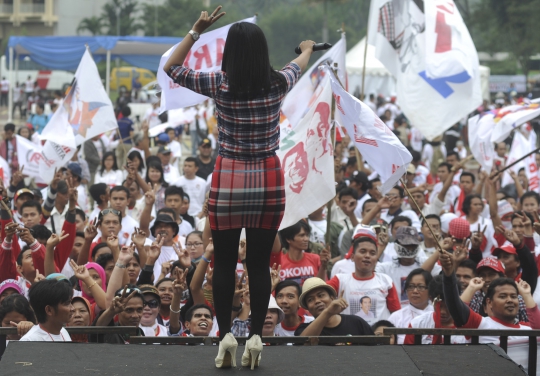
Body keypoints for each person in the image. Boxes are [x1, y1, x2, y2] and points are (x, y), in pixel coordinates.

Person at [164, 6, 315, 368]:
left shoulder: (218, 84)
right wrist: (307, 47)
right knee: (260, 264)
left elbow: (171, 67)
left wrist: (197, 30)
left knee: (225, 260)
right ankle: (257, 338)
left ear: (229, 53)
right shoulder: (279, 81)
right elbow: (302, 61)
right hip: (267, 176)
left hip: (229, 175)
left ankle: (225, 335)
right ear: (263, 53)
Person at [326, 231, 401, 326]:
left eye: (372, 253)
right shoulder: (340, 280)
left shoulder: (386, 281)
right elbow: (319, 294)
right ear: (352, 257)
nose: (367, 256)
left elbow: (396, 314)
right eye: (363, 251)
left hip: (378, 338)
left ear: (376, 258)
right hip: (349, 337)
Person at [294, 277, 374, 337]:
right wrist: (327, 312)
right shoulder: (303, 329)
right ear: (307, 309)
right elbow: (303, 344)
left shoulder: (356, 322)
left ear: (332, 298)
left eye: (321, 295)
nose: (317, 301)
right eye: (310, 300)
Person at [388, 268, 433, 344]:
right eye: (411, 287)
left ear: (430, 290)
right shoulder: (396, 317)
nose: (415, 291)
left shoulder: (437, 314)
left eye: (421, 287)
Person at [279, 220, 330, 285]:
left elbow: (322, 286)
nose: (306, 239)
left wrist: (323, 266)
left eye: (307, 235)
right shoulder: (279, 262)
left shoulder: (315, 259)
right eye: (302, 235)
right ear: (288, 239)